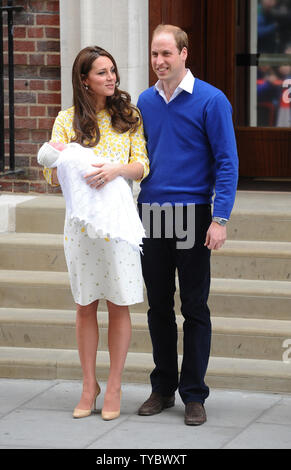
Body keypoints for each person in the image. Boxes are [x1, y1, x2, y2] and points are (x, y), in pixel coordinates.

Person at [137, 24, 239, 426]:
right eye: (154, 55)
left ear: (183, 54)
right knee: (158, 306)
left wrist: (220, 218)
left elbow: (227, 162)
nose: (159, 62)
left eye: (166, 54)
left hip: (194, 213)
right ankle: (162, 388)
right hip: (151, 213)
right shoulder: (144, 101)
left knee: (194, 307)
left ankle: (193, 394)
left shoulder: (211, 101)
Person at [41, 46, 149, 421]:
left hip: (118, 226)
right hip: (82, 227)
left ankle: (115, 384)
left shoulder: (129, 116)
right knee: (85, 305)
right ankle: (89, 385)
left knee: (119, 303)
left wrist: (115, 170)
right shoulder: (66, 120)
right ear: (84, 79)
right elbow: (49, 173)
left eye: (113, 71)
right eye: (102, 72)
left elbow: (142, 166)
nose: (111, 78)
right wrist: (56, 159)